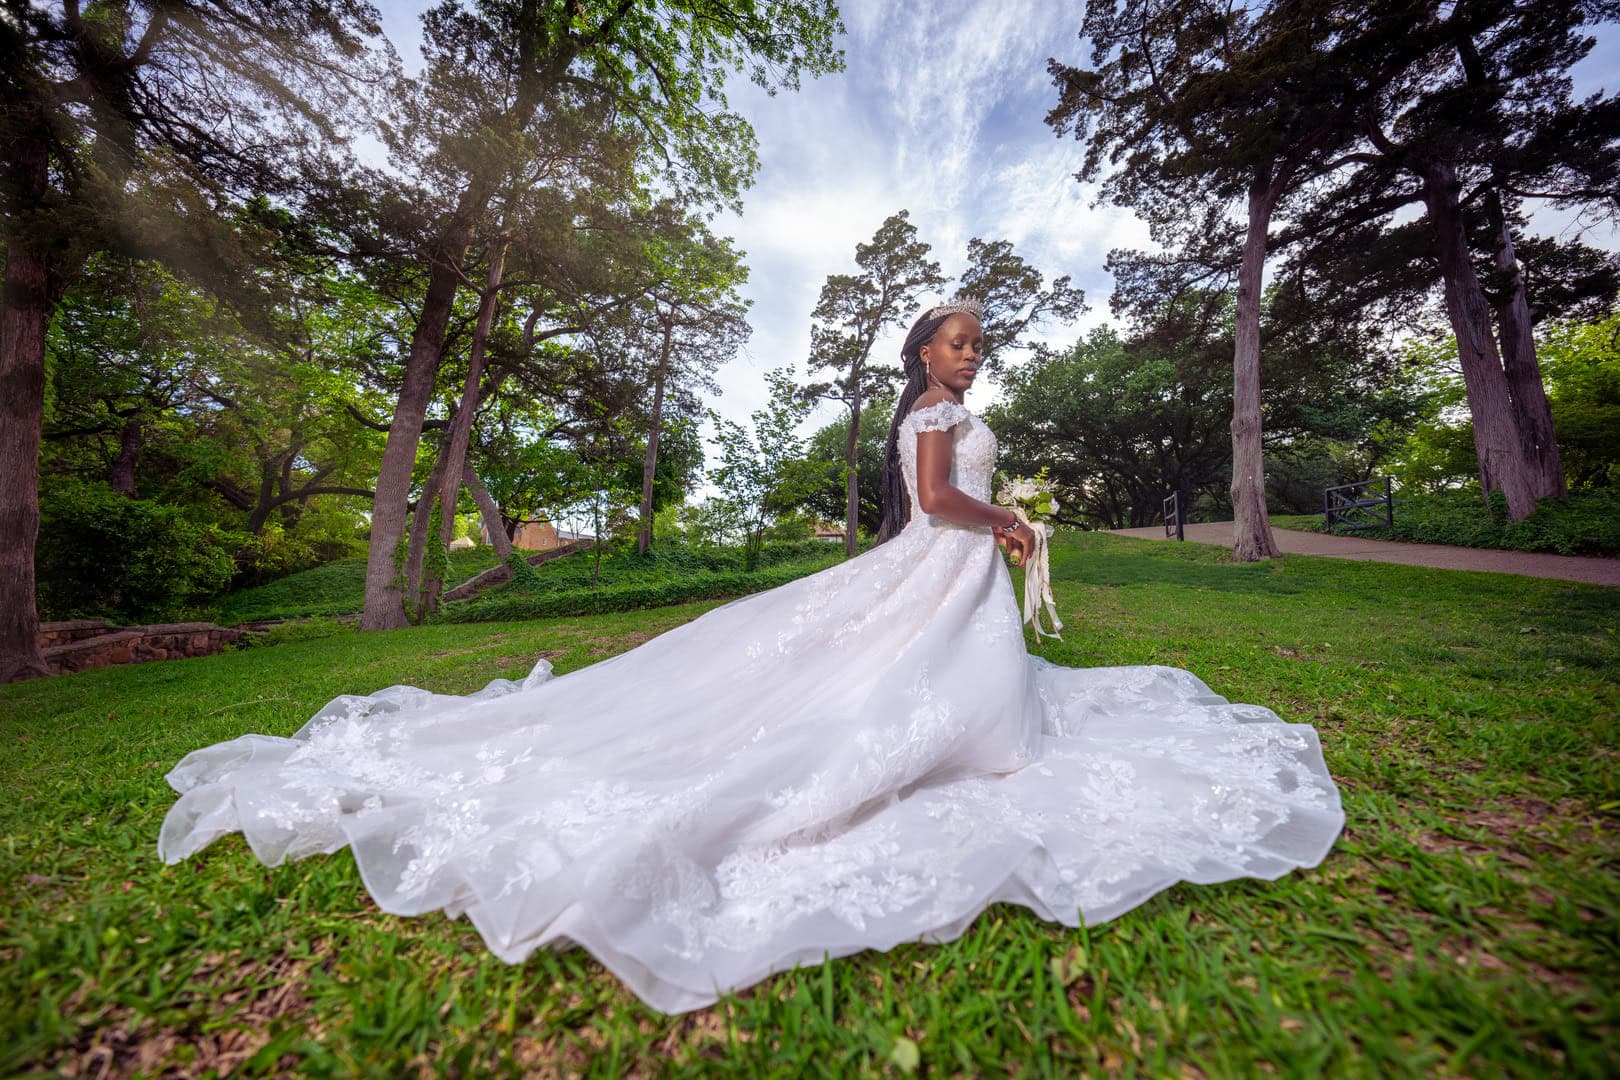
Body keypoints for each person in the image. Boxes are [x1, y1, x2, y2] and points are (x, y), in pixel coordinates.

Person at [159, 298, 1344, 1014]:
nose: (971, 357)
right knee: (865, 691)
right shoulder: (928, 422)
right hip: (946, 561)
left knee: (972, 696)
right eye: (955, 344)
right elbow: (935, 506)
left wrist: (1005, 523)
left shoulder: (948, 406)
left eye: (979, 345)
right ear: (924, 357)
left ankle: (965, 722)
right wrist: (1013, 521)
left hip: (957, 579)